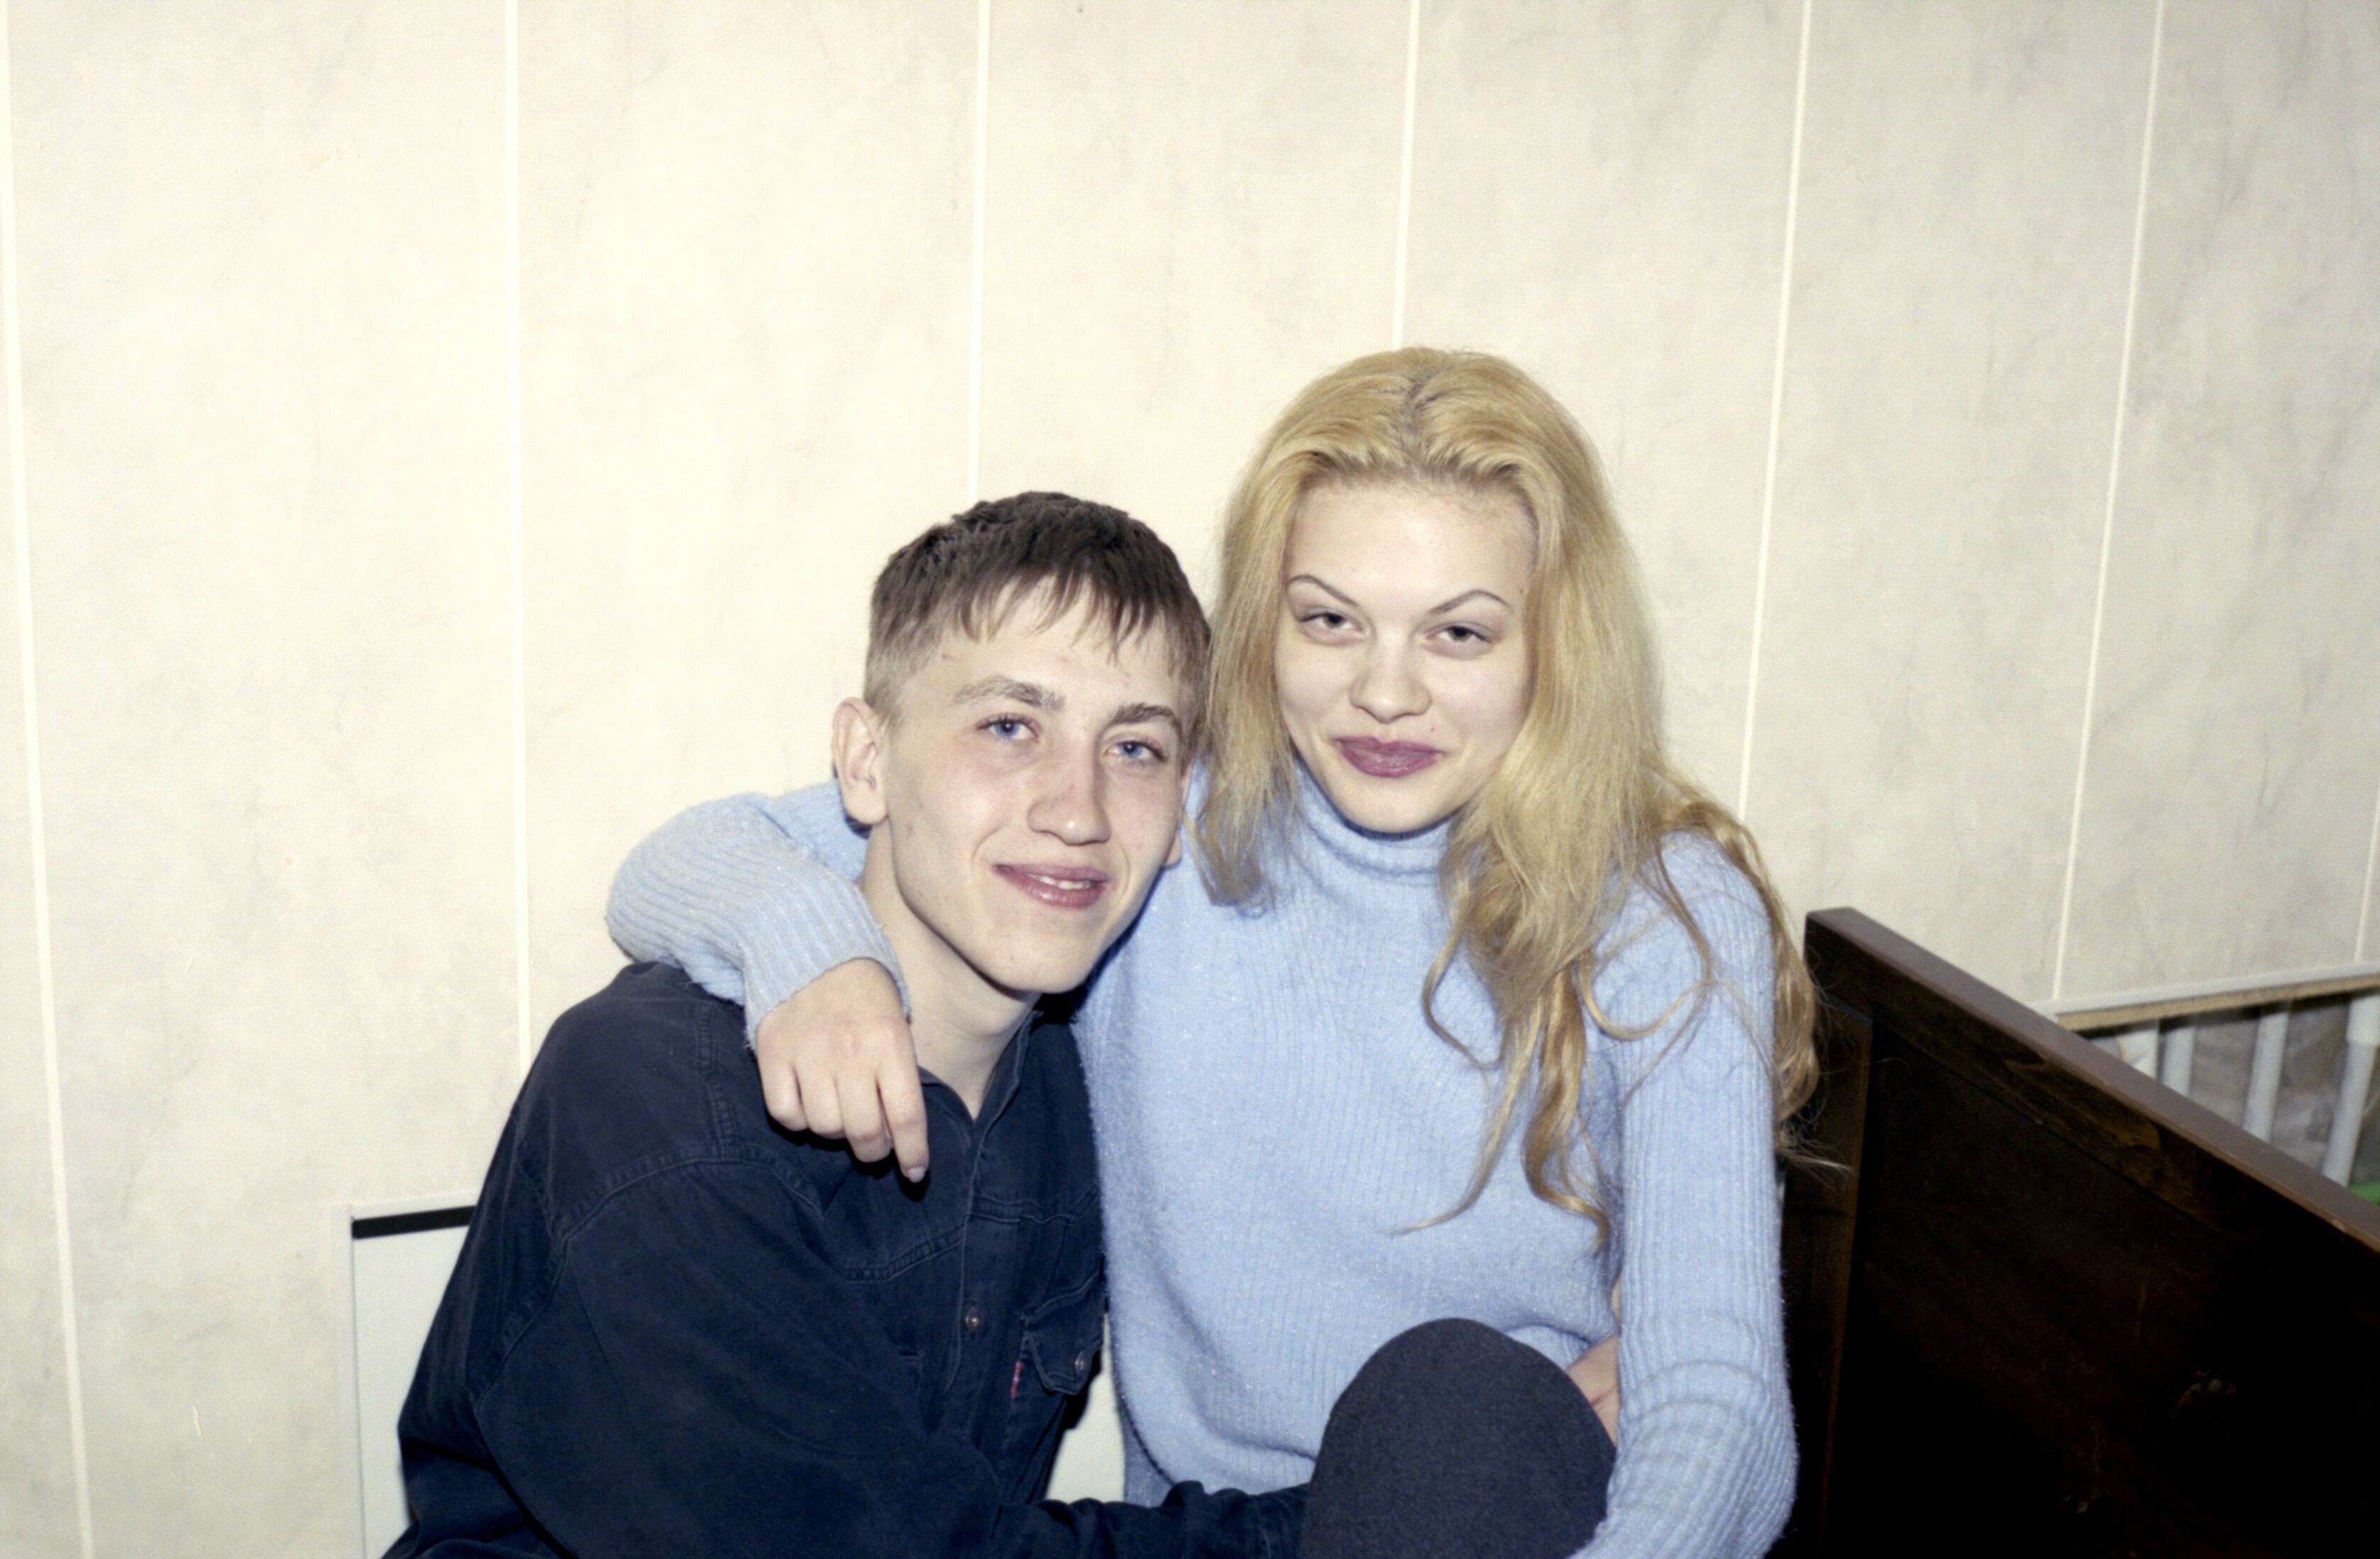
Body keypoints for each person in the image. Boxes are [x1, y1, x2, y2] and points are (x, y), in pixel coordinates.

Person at [605, 349, 1815, 1557]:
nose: (1384, 690)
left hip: (1502, 1526)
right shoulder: (1151, 827)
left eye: (1457, 633)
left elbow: (1716, 1398)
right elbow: (688, 861)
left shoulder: (1657, 914)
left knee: (1448, 1409)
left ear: (1555, 643)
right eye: (1330, 620)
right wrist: (813, 949)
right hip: (1213, 1543)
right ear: (1263, 626)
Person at [387, 493, 1312, 1558]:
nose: (1078, 810)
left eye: (1136, 748)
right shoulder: (653, 1095)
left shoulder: (1067, 1087)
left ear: (1184, 800)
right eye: (1010, 727)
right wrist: (1352, 1526)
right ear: (866, 761)